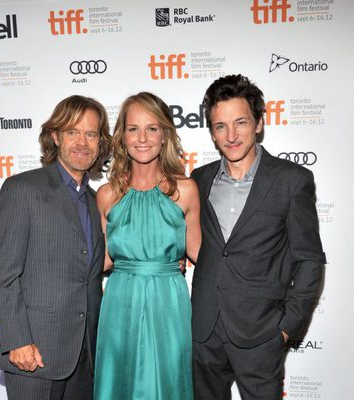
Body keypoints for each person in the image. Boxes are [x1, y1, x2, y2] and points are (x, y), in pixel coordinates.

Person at [191, 75, 325, 400]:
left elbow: (309, 260)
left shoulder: (292, 180)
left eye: (241, 122)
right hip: (204, 331)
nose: (231, 135)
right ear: (211, 131)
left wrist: (285, 328)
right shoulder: (198, 179)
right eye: (221, 126)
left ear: (259, 123)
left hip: (261, 333)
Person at [0, 95, 111, 400]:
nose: (82, 142)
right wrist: (17, 340)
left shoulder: (97, 200)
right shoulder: (22, 189)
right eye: (72, 132)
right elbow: (4, 274)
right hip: (35, 352)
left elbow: (91, 270)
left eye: (91, 134)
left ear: (100, 143)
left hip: (85, 357)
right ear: (55, 136)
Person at [93, 92, 201, 400]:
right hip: (119, 304)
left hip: (169, 303)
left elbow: (200, 253)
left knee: (167, 384)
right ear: (122, 137)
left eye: (152, 128)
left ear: (165, 135)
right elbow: (100, 262)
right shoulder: (107, 195)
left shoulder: (185, 190)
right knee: (119, 383)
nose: (142, 138)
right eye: (133, 129)